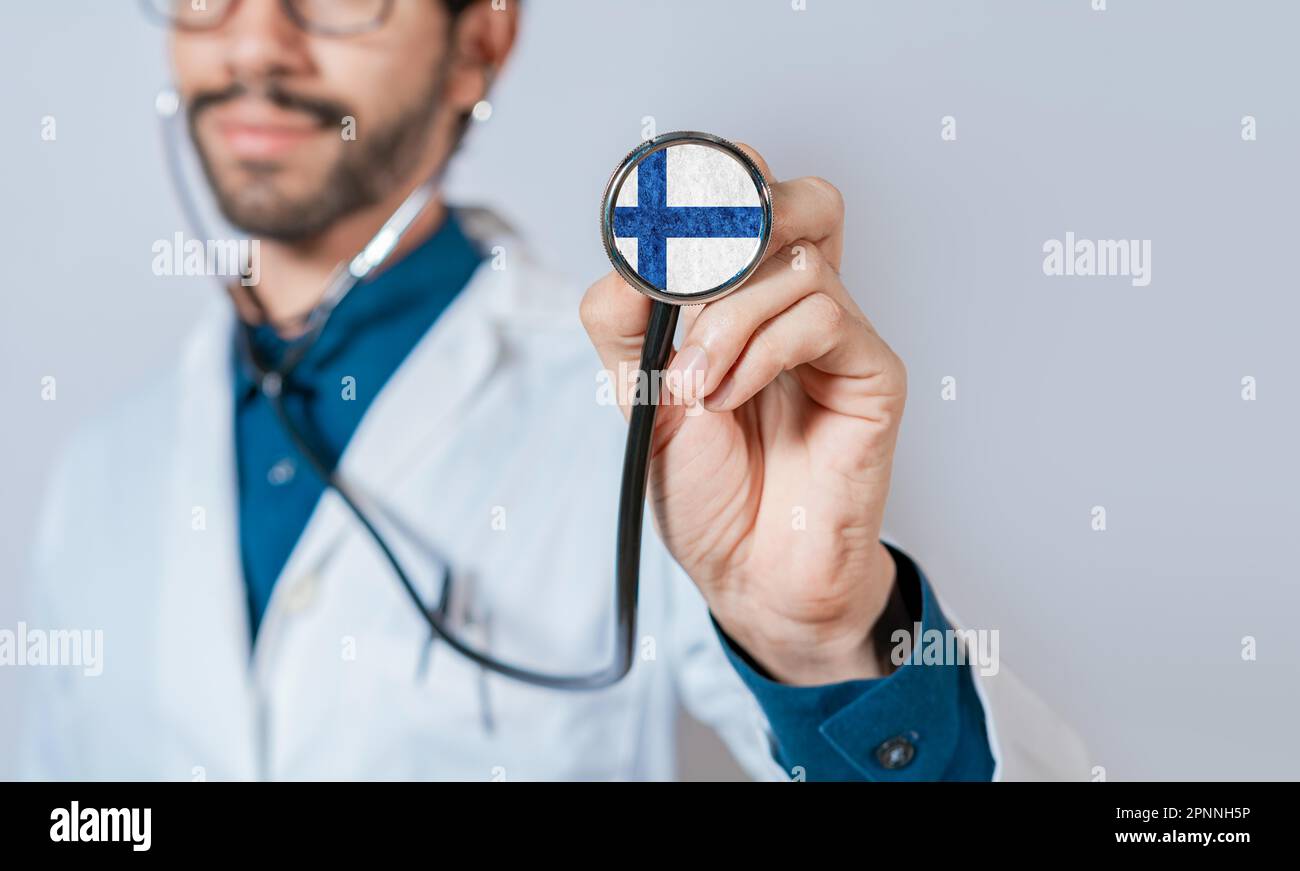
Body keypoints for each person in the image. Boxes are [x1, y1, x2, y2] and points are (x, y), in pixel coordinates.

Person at [21, 0, 1087, 780]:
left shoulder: (669, 417)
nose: (254, 40)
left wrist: (821, 646)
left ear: (477, 42)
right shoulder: (98, 472)